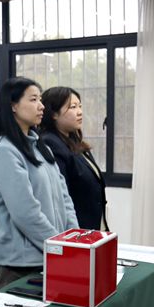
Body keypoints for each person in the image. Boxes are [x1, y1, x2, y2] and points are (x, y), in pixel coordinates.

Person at [0, 77, 78, 290]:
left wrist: (73, 239)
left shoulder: (40, 147)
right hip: (22, 263)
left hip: (51, 252)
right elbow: (25, 212)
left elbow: (64, 198)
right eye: (34, 99)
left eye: (41, 99)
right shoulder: (4, 150)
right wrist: (59, 246)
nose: (41, 106)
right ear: (13, 105)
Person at [40, 87, 108, 230]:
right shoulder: (51, 142)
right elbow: (61, 194)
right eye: (73, 107)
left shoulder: (73, 140)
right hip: (75, 229)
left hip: (93, 226)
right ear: (54, 114)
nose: (80, 112)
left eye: (80, 106)